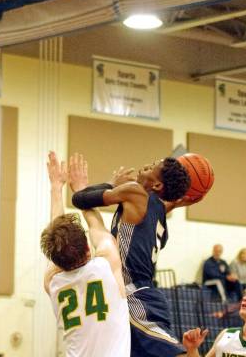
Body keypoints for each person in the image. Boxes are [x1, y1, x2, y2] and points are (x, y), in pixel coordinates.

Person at [71, 153, 193, 356]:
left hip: (134, 295)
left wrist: (110, 183)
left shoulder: (135, 192)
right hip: (143, 293)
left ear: (156, 186)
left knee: (174, 353)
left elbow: (80, 199)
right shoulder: (159, 210)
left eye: (150, 168)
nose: (144, 166)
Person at [41, 152, 130, 357]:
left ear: (57, 261)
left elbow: (57, 234)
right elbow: (95, 225)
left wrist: (56, 188)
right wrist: (81, 191)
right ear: (88, 248)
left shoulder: (53, 282)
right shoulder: (105, 263)